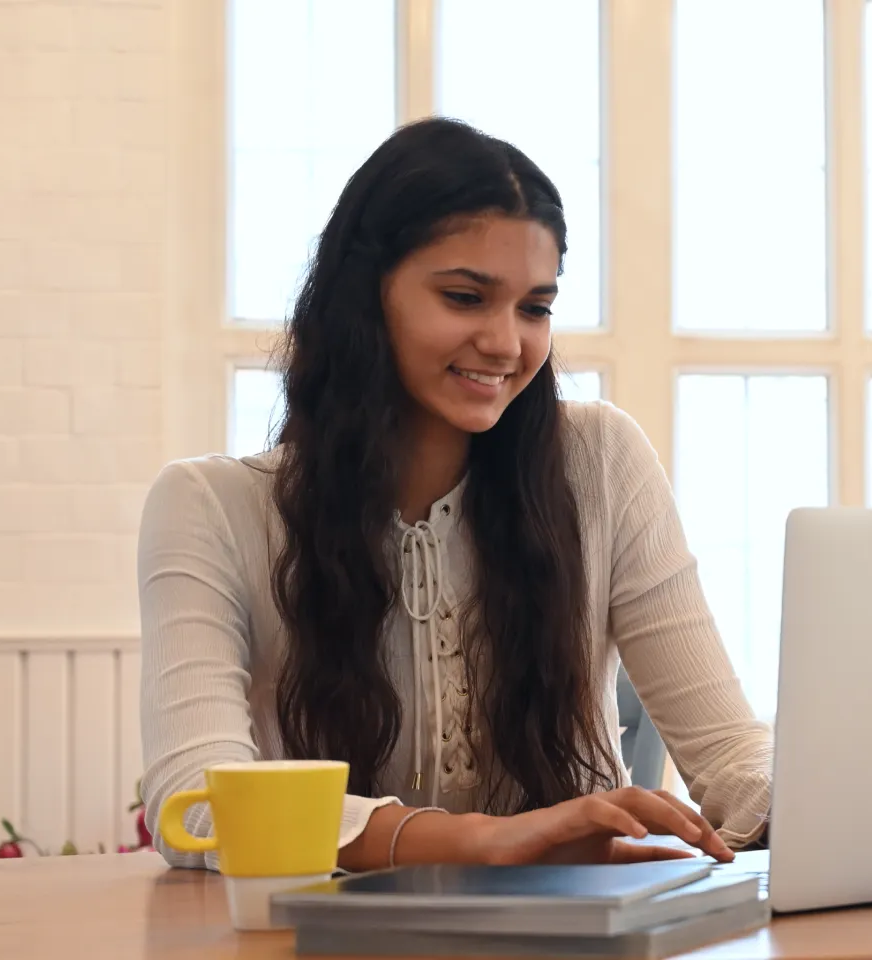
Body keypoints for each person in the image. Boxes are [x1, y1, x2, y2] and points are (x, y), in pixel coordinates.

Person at [137, 117, 769, 872]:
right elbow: (198, 803)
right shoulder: (209, 508)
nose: (508, 342)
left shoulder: (601, 461)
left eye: (535, 307)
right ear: (365, 298)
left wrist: (823, 804)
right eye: (467, 297)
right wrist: (489, 840)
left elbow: (728, 750)